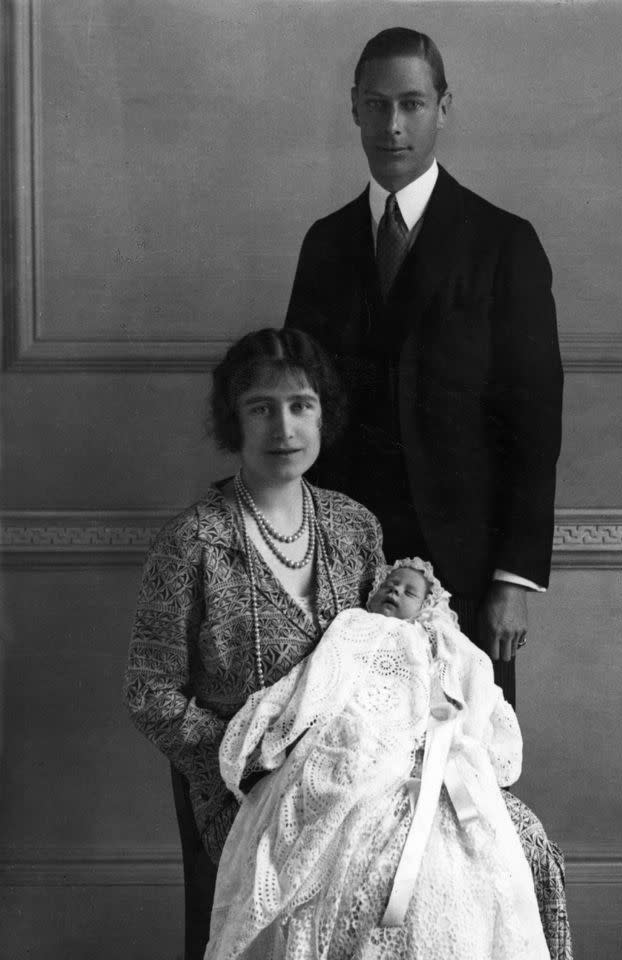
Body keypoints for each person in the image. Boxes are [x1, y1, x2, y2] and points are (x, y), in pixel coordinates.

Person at [285, 27, 564, 705]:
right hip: (343, 572)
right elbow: (300, 405)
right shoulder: (325, 244)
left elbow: (534, 422)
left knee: (462, 774)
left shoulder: (503, 243)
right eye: (376, 105)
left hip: (465, 572)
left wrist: (511, 581)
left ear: (444, 106)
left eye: (411, 104)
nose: (393, 126)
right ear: (354, 108)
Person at [123, 327, 385, 960]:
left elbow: (387, 660)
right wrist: (246, 758)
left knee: (487, 845)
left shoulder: (355, 527)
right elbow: (148, 691)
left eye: (302, 405)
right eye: (260, 408)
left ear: (325, 415)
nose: (284, 428)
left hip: (357, 777)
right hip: (246, 794)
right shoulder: (194, 542)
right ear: (232, 422)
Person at [205, 559, 550, 960]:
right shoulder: (354, 625)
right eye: (390, 584)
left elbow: (472, 681)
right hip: (359, 726)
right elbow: (322, 675)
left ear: (427, 606)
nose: (395, 593)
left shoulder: (437, 640)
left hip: (420, 734)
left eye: (409, 592)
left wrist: (453, 730)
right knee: (343, 774)